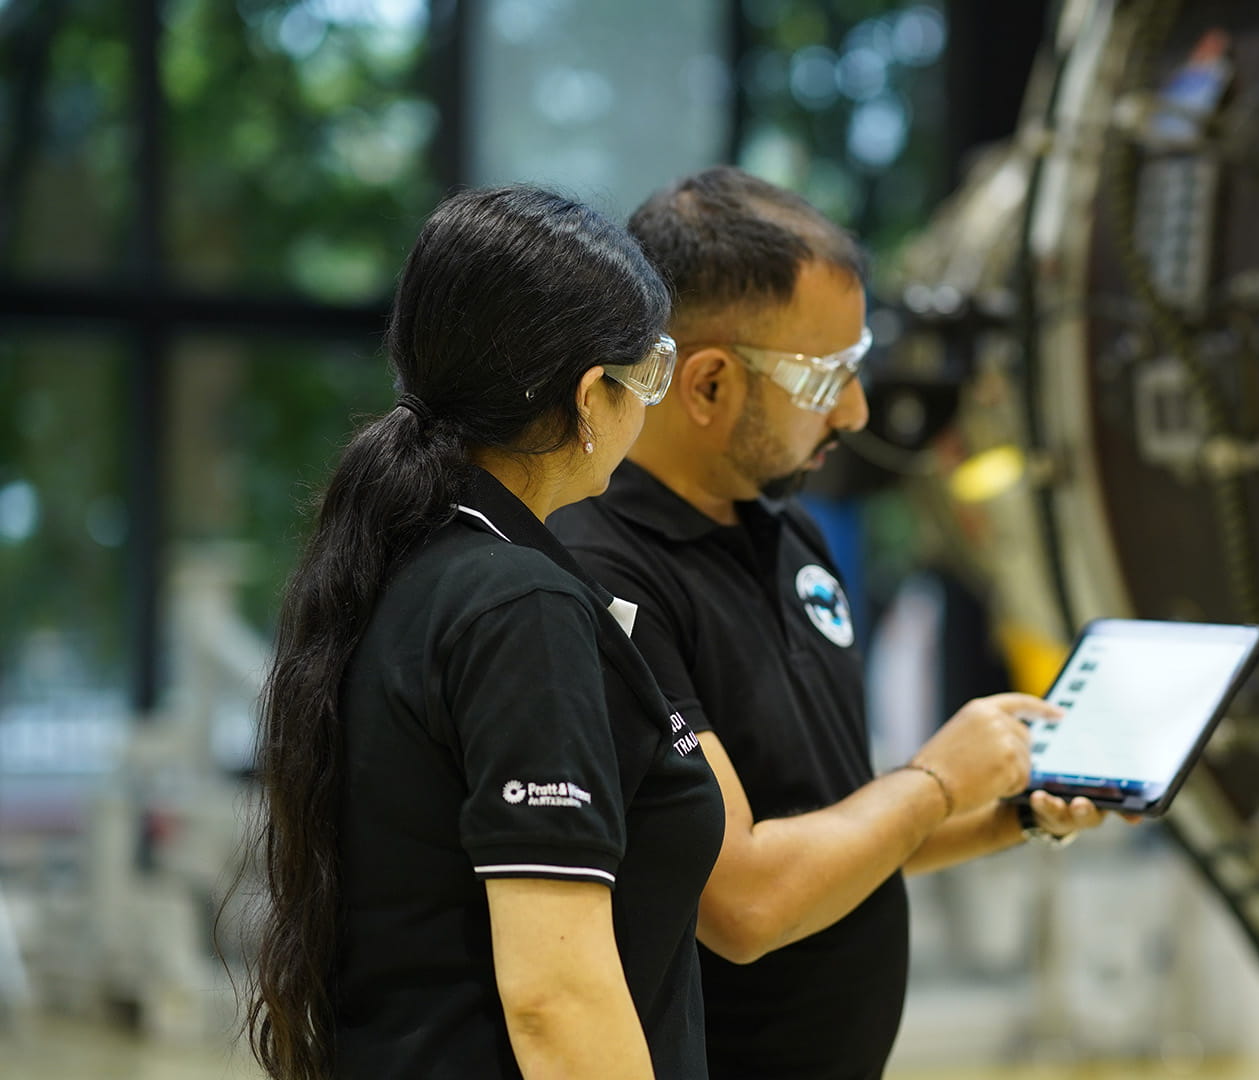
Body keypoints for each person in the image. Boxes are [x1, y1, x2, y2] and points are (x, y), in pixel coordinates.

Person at [550, 166, 1111, 1080]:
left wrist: (1008, 814)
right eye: (827, 377)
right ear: (707, 385)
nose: (854, 411)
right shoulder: (602, 572)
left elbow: (832, 825)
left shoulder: (786, 532)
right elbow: (743, 902)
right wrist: (936, 777)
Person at [246, 185, 724, 1080]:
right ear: (592, 399)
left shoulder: (413, 560)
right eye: (648, 375)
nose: (649, 405)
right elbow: (556, 1000)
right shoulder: (518, 609)